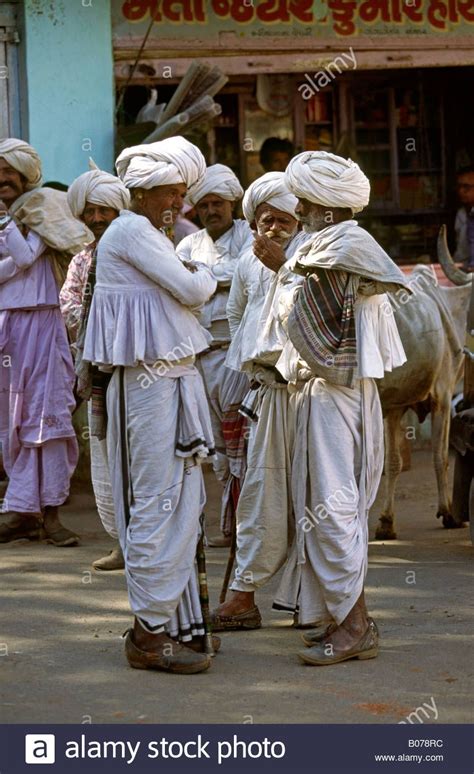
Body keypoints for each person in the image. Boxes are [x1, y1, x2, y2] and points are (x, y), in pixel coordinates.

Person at [265, 151, 409, 665]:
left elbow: (309, 312)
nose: (299, 206)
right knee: (322, 509)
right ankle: (345, 617)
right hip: (319, 391)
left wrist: (281, 265)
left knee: (334, 511)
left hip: (337, 393)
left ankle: (354, 627)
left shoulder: (348, 245)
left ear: (326, 204)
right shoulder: (322, 244)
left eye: (305, 199)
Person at [83, 137, 218, 674]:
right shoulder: (133, 229)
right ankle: (148, 633)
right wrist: (206, 267)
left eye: (182, 193)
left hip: (167, 386)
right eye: (172, 192)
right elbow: (192, 290)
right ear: (143, 192)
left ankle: (174, 624)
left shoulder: (146, 232)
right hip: (150, 388)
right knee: (160, 504)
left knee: (180, 502)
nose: (179, 204)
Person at [210, 172, 309, 630]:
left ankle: (312, 600)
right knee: (260, 492)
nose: (273, 229)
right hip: (266, 393)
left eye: (283, 219)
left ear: (299, 220)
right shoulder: (248, 265)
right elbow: (238, 321)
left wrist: (285, 264)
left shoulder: (310, 256)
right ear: (253, 223)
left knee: (314, 499)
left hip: (312, 393)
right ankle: (243, 595)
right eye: (265, 220)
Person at [0, 139, 88, 546]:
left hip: (44, 323)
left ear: (24, 175)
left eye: (8, 175)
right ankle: (20, 512)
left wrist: (9, 227)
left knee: (47, 417)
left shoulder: (43, 208)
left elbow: (23, 257)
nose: (2, 182)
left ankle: (51, 514)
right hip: (7, 326)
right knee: (11, 420)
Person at [177, 164, 252, 546]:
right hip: (199, 355)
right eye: (203, 205)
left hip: (237, 356)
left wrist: (204, 276)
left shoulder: (249, 236)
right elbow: (180, 283)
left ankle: (247, 526)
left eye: (217, 203)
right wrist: (208, 277)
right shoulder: (188, 244)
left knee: (242, 444)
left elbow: (245, 272)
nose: (210, 211)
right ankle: (229, 524)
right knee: (216, 449)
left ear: (233, 202)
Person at [60, 168, 131, 570]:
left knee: (144, 459)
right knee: (106, 456)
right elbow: (69, 304)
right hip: (99, 369)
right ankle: (122, 543)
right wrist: (97, 326)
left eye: (104, 210)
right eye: (90, 212)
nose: (97, 219)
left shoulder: (138, 249)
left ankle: (154, 546)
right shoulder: (82, 259)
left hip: (139, 368)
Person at [454, 165, 474, 272]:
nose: (461, 191)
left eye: (466, 187)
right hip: (464, 271)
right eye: (459, 187)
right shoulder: (462, 213)